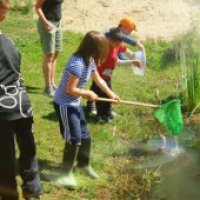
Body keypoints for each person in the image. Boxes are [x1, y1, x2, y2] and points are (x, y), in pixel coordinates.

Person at [53, 31, 120, 188]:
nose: (106, 51)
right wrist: (88, 93)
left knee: (85, 136)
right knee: (74, 138)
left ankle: (84, 165)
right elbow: (70, 89)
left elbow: (99, 80)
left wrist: (111, 94)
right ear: (96, 49)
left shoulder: (89, 60)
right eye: (104, 49)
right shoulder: (77, 63)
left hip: (74, 103)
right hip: (64, 104)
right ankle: (65, 175)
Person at [0, 0, 42, 199]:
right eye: (5, 11)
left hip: (3, 110)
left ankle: (9, 196)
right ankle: (32, 191)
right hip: (22, 104)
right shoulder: (8, 42)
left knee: (5, 160)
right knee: (28, 151)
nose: (6, 15)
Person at [87, 17, 145, 116]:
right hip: (100, 74)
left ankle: (98, 106)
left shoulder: (117, 44)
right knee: (102, 89)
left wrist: (135, 57)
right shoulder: (106, 49)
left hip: (107, 73)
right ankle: (102, 111)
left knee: (97, 88)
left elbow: (125, 50)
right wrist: (132, 62)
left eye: (119, 43)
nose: (118, 45)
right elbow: (117, 62)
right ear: (109, 40)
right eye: (116, 43)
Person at [35, 0, 63, 97]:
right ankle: (48, 88)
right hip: (47, 24)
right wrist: (45, 22)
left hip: (58, 24)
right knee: (49, 55)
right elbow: (37, 7)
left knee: (55, 54)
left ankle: (52, 83)